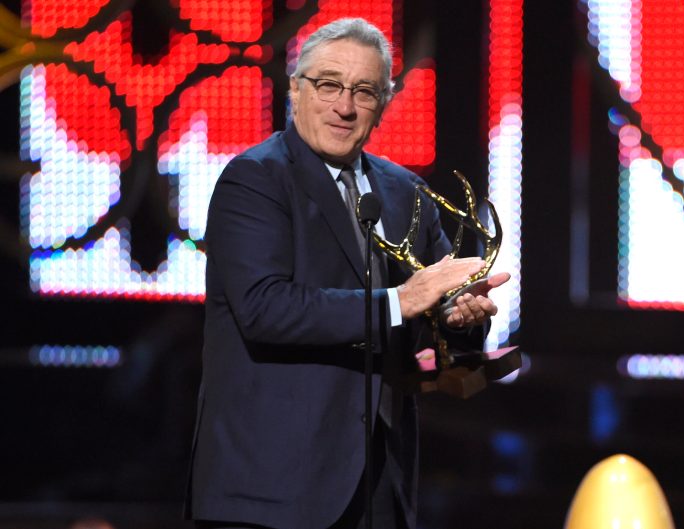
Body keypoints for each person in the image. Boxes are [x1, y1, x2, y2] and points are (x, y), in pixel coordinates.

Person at [185, 17, 509, 529]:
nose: (344, 106)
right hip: (274, 489)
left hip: (379, 481)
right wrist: (400, 301)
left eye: (364, 91)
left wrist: (459, 314)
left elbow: (439, 304)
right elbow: (266, 309)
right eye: (329, 84)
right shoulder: (255, 181)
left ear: (382, 104)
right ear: (295, 90)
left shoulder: (404, 191)